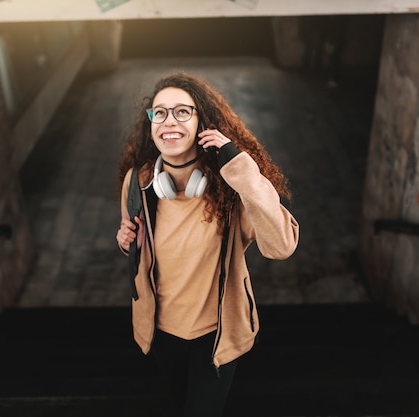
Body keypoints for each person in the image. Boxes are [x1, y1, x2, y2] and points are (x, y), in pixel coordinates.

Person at [116, 72, 299, 417]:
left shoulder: (230, 188)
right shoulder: (138, 182)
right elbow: (137, 243)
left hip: (215, 337)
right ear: (150, 122)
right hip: (160, 332)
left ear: (203, 121)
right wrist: (127, 243)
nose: (169, 121)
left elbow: (282, 246)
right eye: (160, 112)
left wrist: (238, 164)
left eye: (182, 112)